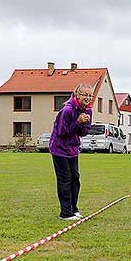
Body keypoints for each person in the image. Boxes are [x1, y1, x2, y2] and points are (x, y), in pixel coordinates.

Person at [49, 84, 93, 221]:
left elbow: (83, 133)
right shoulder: (67, 110)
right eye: (85, 95)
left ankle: (74, 209)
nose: (88, 98)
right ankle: (65, 213)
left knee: (75, 179)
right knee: (65, 180)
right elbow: (63, 132)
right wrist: (77, 122)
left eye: (90, 95)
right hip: (59, 149)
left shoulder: (88, 111)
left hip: (73, 150)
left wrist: (84, 124)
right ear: (77, 96)